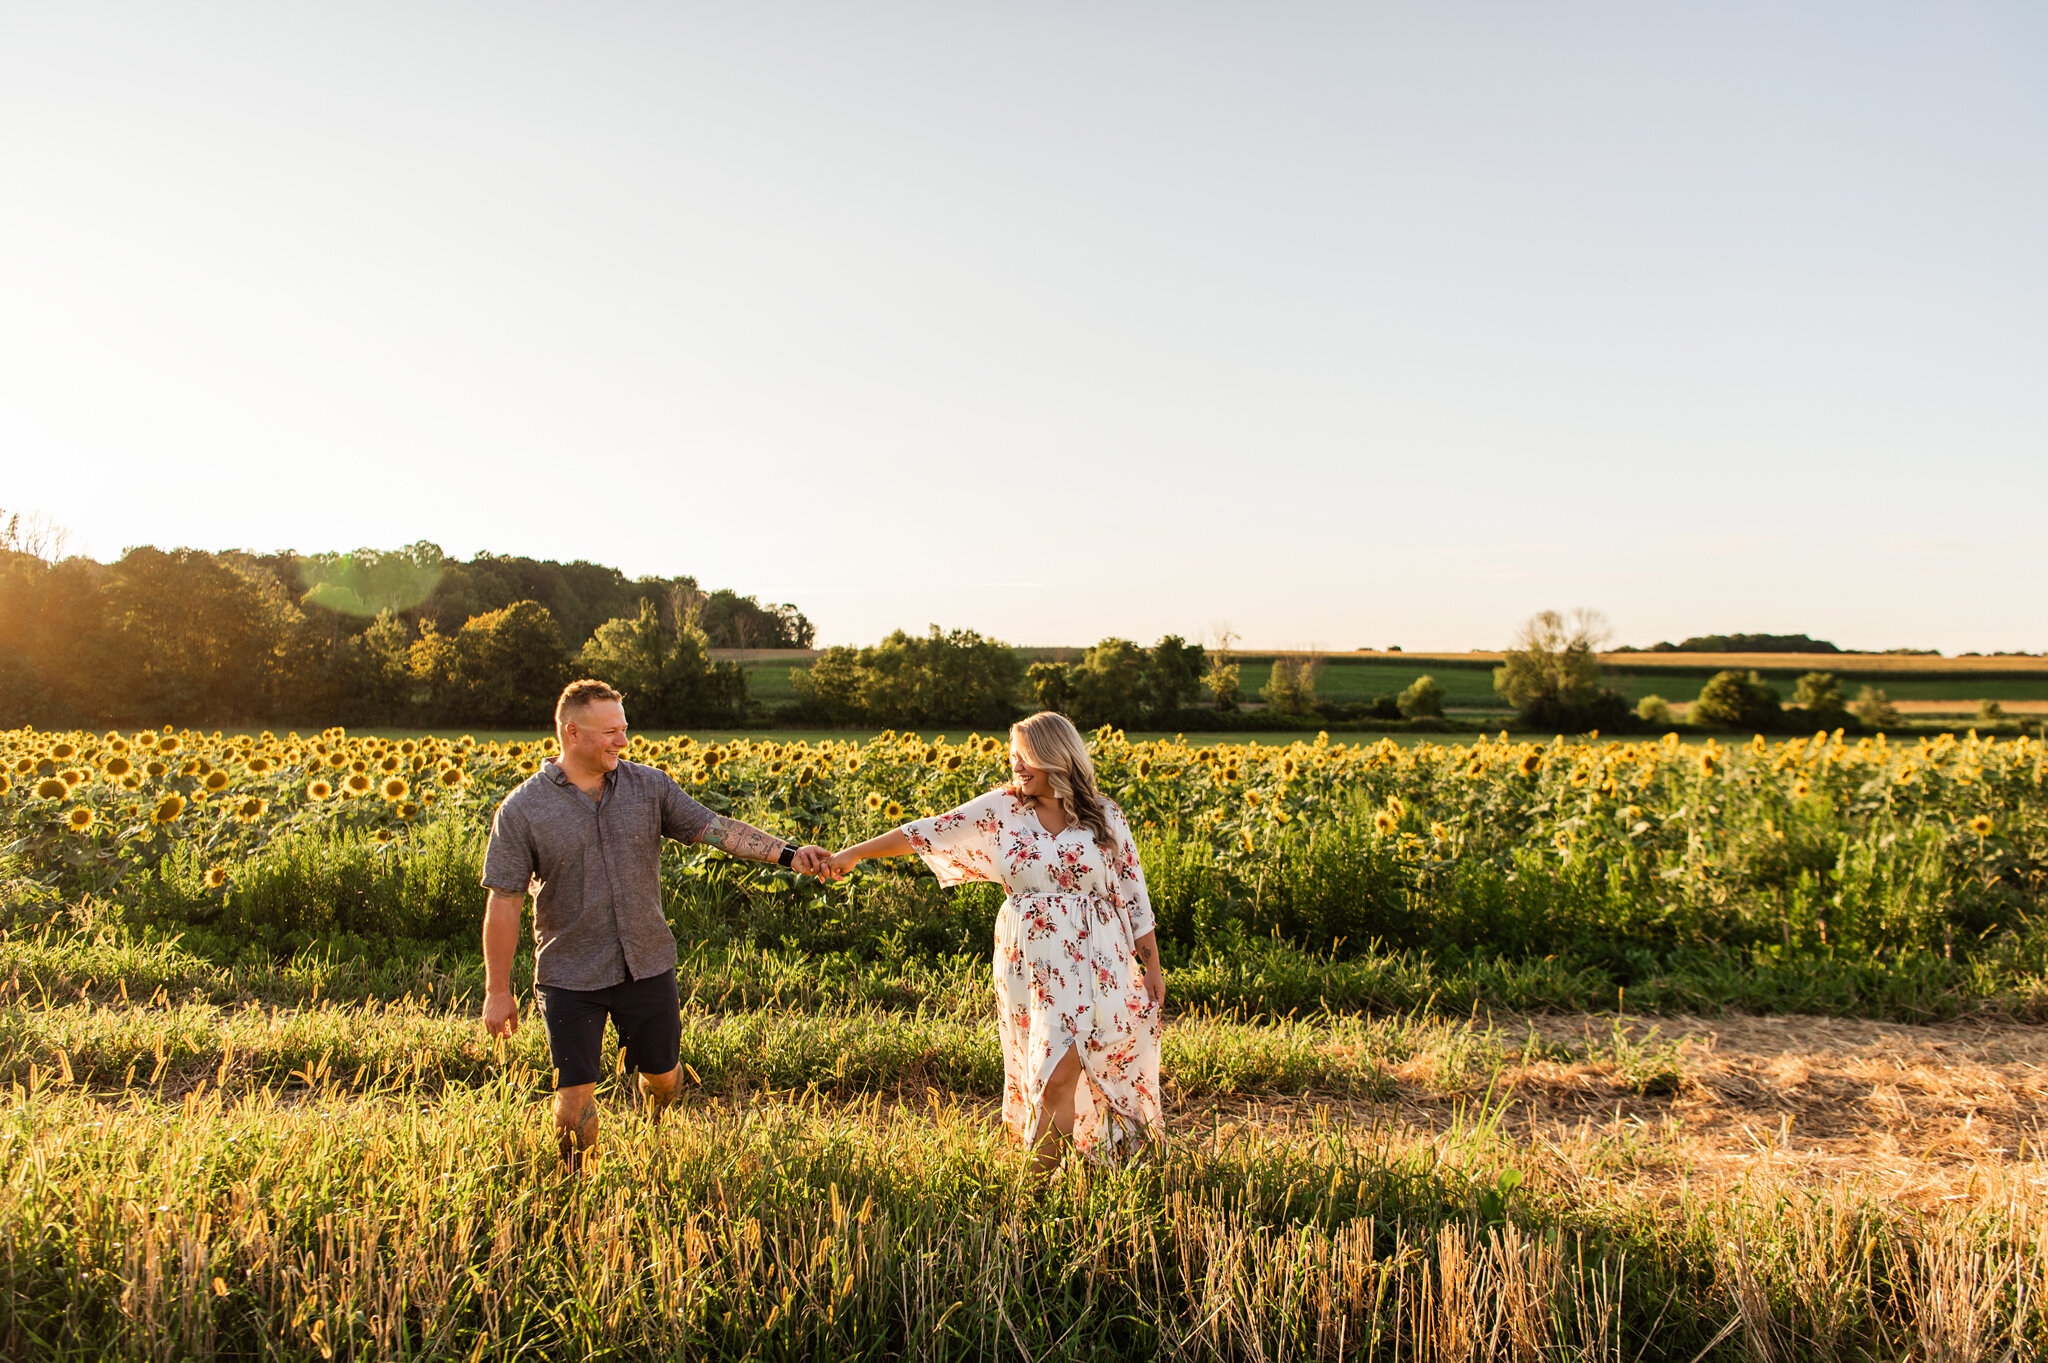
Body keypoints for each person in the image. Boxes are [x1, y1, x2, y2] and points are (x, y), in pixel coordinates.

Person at [480, 678, 831, 1168]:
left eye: (624, 729)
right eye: (611, 732)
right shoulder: (522, 809)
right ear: (572, 732)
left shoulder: (649, 786)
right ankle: (579, 1190)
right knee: (573, 1101)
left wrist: (790, 854)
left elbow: (716, 828)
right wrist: (498, 990)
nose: (624, 741)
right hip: (570, 973)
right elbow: (505, 900)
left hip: (646, 962)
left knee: (664, 1078)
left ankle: (655, 1125)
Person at [827, 712, 1165, 1173]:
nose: (1017, 769)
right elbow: (928, 830)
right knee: (1046, 1075)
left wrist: (1152, 967)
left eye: (1026, 759)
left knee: (1086, 1072)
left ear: (1056, 757)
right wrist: (854, 854)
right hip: (1032, 964)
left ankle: (1072, 1183)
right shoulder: (1003, 808)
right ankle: (1045, 1193)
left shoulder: (1105, 816)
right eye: (1013, 758)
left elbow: (1133, 896)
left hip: (1099, 960)